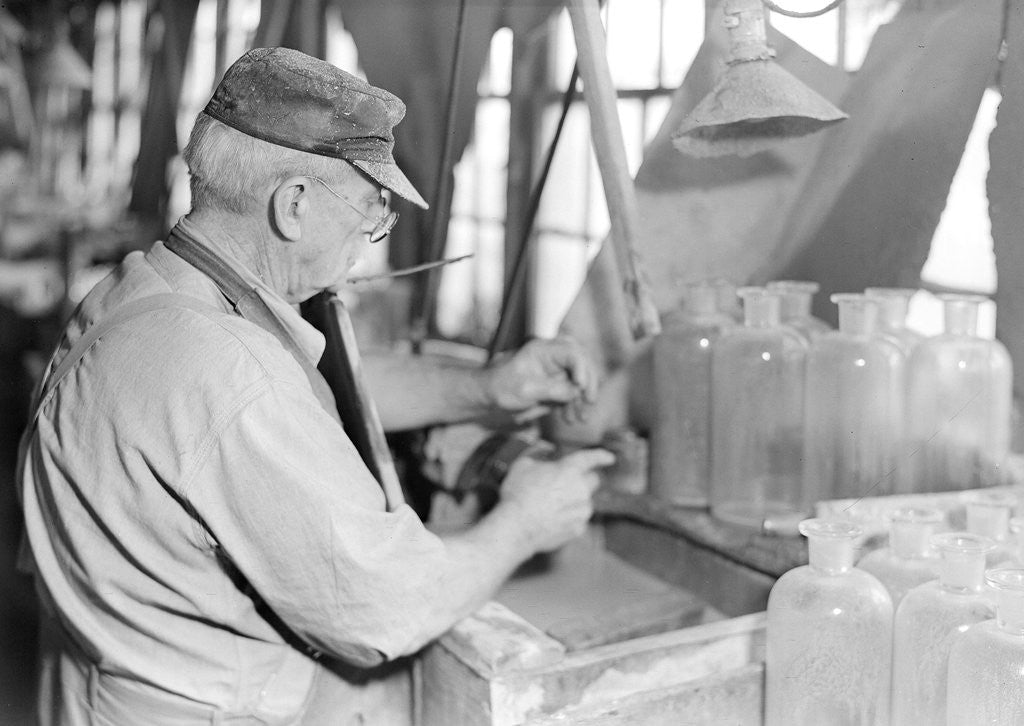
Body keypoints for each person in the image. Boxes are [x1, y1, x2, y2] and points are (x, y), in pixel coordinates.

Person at [18, 47, 613, 725]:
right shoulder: (229, 369)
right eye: (370, 215)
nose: (371, 241)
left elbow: (278, 407)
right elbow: (385, 607)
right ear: (293, 204)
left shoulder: (142, 290)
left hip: (103, 685)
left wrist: (485, 389)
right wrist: (524, 522)